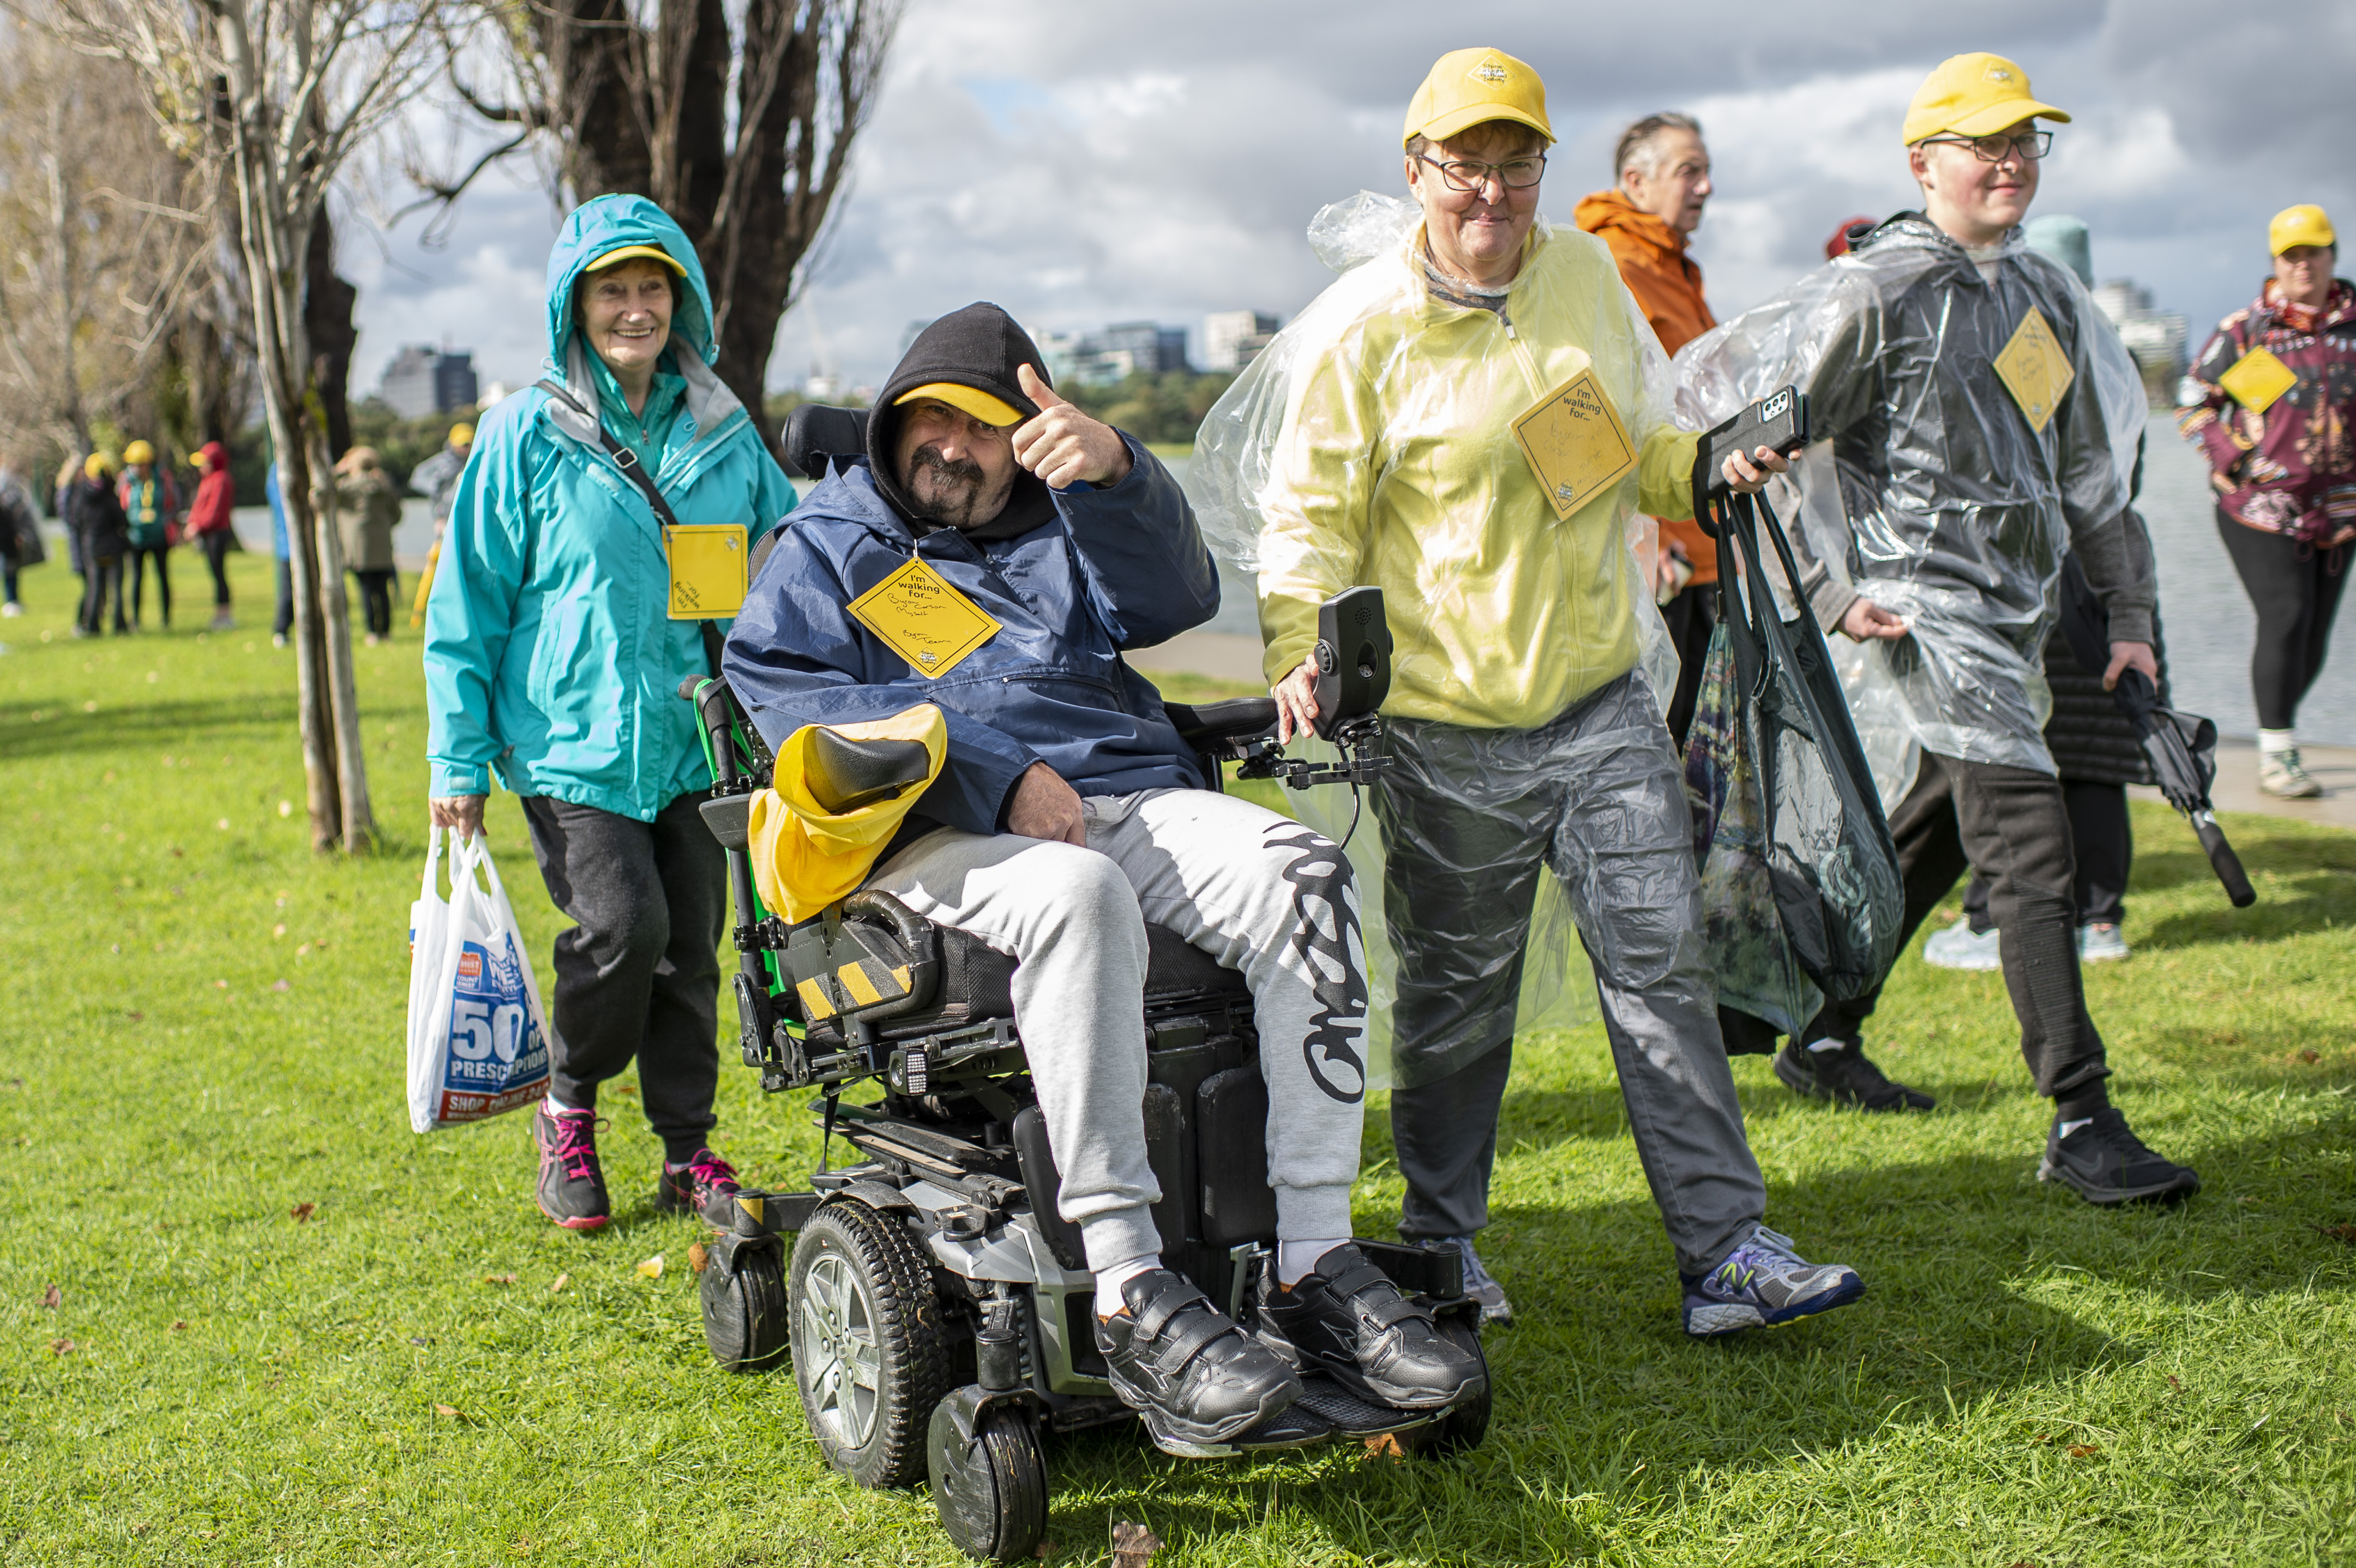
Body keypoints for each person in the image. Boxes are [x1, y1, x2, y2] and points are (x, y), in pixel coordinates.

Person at [724, 300, 1486, 1446]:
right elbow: (790, 699)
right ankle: (1130, 1285)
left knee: (1305, 870)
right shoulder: (824, 546)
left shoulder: (1058, 523)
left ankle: (1312, 1261)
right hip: (925, 834)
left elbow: (1178, 599)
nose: (954, 446)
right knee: (1081, 896)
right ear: (889, 422)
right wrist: (994, 772)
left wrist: (1122, 472)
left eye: (985, 430)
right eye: (932, 420)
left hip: (1125, 794)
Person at [1210, 47, 1861, 1339]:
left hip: (1598, 699)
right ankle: (1444, 1247)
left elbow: (1635, 447)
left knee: (1658, 965)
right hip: (1444, 728)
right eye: (1468, 167)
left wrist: (1713, 463)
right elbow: (1307, 521)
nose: (1494, 193)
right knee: (1458, 1002)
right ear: (1417, 173)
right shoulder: (1359, 330)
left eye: (1517, 166)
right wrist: (1298, 647)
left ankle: (1727, 1251)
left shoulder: (1583, 275)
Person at [1677, 52, 2199, 1205]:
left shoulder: (2041, 296)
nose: (2011, 160)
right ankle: (2081, 1112)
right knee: (2032, 845)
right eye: (1985, 141)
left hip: (2021, 618)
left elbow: (2092, 479)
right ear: (1925, 162)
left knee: (1940, 832)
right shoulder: (1878, 293)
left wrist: (2130, 618)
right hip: (1928, 612)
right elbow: (1751, 454)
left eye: (2026, 141)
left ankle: (1817, 1029)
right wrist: (1828, 593)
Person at [425, 194, 798, 1234]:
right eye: (612, 292)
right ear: (574, 308)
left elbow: (797, 553)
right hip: (566, 743)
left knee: (692, 948)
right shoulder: (524, 435)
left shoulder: (727, 431)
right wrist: (456, 759)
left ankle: (687, 1150)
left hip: (693, 739)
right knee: (622, 930)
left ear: (682, 300)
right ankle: (569, 1105)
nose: (634, 309)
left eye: (651, 288)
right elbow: (469, 603)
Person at [1925, 216, 2168, 971]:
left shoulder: (2016, 342)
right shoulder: (2107, 351)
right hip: (2103, 573)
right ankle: (2097, 917)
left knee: (2005, 754)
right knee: (2095, 752)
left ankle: (1992, 916)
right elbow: (2121, 484)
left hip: (2032, 581)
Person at [2180, 203, 2356, 799]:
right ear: (2276, 263)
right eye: (2291, 256)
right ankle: (2279, 754)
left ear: (2333, 254)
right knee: (2284, 616)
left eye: (2314, 252)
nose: (2304, 265)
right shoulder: (2248, 331)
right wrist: (2232, 457)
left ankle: (2274, 729)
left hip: (2341, 512)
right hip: (2259, 509)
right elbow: (2193, 402)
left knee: (2313, 637)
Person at [1576, 112, 1720, 743]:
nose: (1706, 188)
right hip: (1665, 556)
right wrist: (1648, 549)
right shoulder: (1615, 267)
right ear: (1635, 181)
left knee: (1697, 750)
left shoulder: (1676, 267)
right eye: (1690, 171)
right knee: (1657, 741)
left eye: (1706, 171)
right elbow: (1591, 413)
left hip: (1702, 540)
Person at [406, 422, 472, 628]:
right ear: (452, 443)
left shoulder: (478, 458)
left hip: (469, 521)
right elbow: (417, 478)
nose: (466, 448)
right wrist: (435, 486)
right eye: (463, 444)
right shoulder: (442, 463)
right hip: (445, 522)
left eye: (469, 443)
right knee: (436, 565)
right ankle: (420, 613)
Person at [333, 446, 401, 644]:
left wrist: (337, 471)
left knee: (366, 589)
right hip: (382, 547)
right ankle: (386, 631)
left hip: (357, 548)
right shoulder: (384, 486)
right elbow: (397, 514)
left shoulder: (345, 487)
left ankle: (372, 631)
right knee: (382, 589)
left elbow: (323, 491)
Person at [118, 440, 178, 629]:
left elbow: (176, 502)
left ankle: (166, 620)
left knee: (163, 577)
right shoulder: (125, 481)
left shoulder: (162, 478)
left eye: (138, 464)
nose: (135, 468)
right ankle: (135, 621)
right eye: (132, 464)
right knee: (136, 579)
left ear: (147, 463)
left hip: (159, 537)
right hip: (136, 538)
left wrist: (166, 522)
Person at [70, 451, 129, 637]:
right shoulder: (108, 495)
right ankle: (120, 625)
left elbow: (75, 520)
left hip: (91, 547)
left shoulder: (81, 494)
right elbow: (122, 520)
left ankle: (93, 626)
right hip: (112, 547)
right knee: (116, 588)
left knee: (95, 588)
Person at [184, 441, 237, 631]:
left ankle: (225, 615)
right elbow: (199, 507)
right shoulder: (208, 480)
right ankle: (220, 614)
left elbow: (215, 511)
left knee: (219, 574)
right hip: (208, 534)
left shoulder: (222, 479)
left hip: (218, 534)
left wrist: (199, 526)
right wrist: (192, 523)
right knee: (215, 573)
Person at [0, 454, 37, 616]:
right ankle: (11, 601)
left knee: (11, 570)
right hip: (5, 537)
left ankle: (13, 601)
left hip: (7, 537)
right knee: (8, 570)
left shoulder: (7, 482)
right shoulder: (5, 483)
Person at [268, 461, 293, 647]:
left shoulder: (276, 470)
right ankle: (281, 629)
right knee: (289, 591)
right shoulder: (280, 469)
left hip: (288, 543)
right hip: (289, 545)